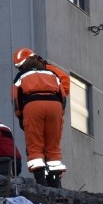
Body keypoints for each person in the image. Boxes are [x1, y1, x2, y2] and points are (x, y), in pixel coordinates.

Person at [11, 47, 70, 187]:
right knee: (53, 146)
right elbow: (62, 95)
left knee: (35, 146)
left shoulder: (21, 76)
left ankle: (41, 182)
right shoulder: (51, 73)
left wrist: (20, 116)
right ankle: (55, 182)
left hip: (33, 106)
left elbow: (16, 99)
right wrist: (60, 113)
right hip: (55, 106)